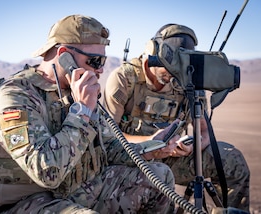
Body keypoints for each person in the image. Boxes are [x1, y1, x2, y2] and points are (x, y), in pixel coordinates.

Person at [0, 14, 181, 214]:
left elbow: (108, 147)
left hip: (79, 189)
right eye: (95, 61)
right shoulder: (14, 98)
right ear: (64, 56)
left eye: (103, 62)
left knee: (159, 177)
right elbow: (47, 172)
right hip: (32, 202)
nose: (100, 71)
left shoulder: (74, 90)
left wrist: (152, 147)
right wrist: (82, 111)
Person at [103, 23, 250, 212]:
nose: (175, 75)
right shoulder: (124, 78)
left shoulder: (186, 78)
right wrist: (150, 142)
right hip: (134, 159)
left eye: (179, 68)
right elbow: (108, 136)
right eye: (170, 68)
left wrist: (192, 145)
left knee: (231, 160)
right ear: (153, 56)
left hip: (174, 159)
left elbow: (205, 132)